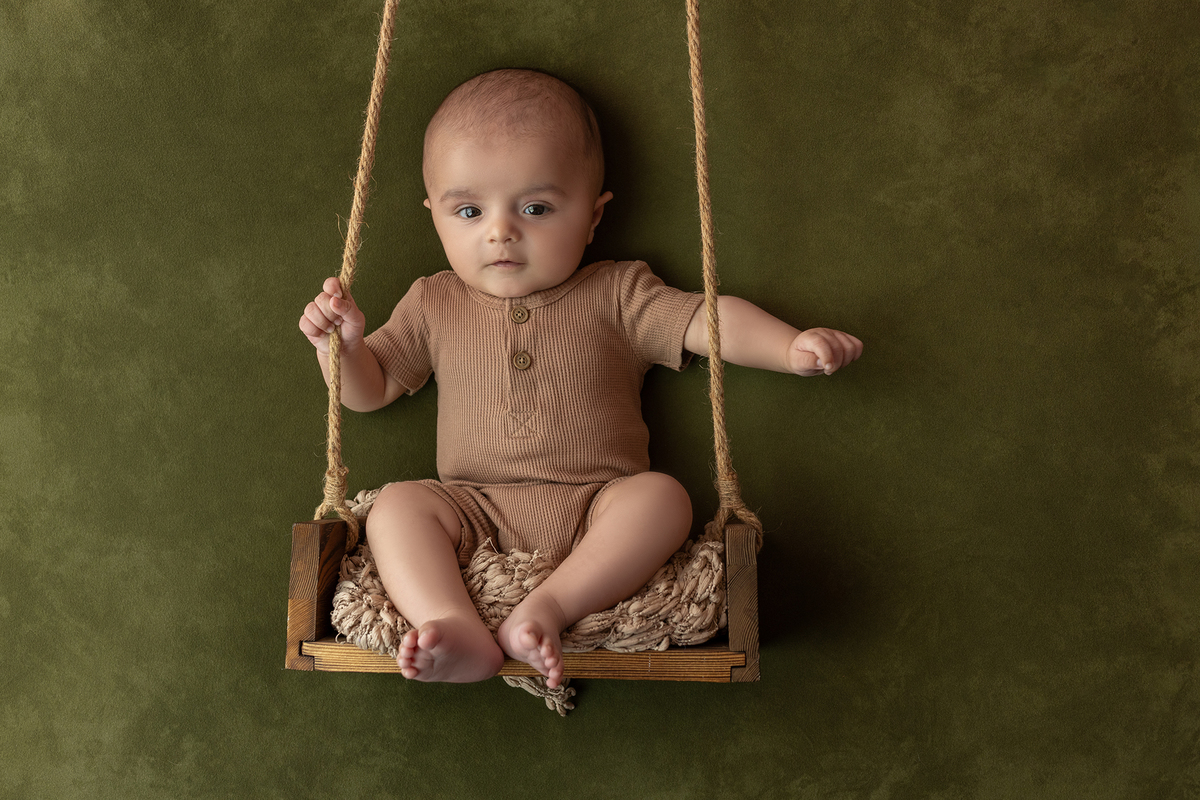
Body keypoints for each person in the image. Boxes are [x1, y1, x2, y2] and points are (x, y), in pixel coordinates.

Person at [299, 68, 862, 689]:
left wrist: (789, 346)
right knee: (397, 507)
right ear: (435, 216)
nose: (500, 231)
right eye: (469, 211)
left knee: (663, 498)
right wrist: (342, 349)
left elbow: (707, 319)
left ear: (593, 217)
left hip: (599, 504)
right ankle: (451, 624)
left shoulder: (618, 292)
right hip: (471, 507)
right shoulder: (434, 301)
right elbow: (371, 389)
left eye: (536, 208)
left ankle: (546, 609)